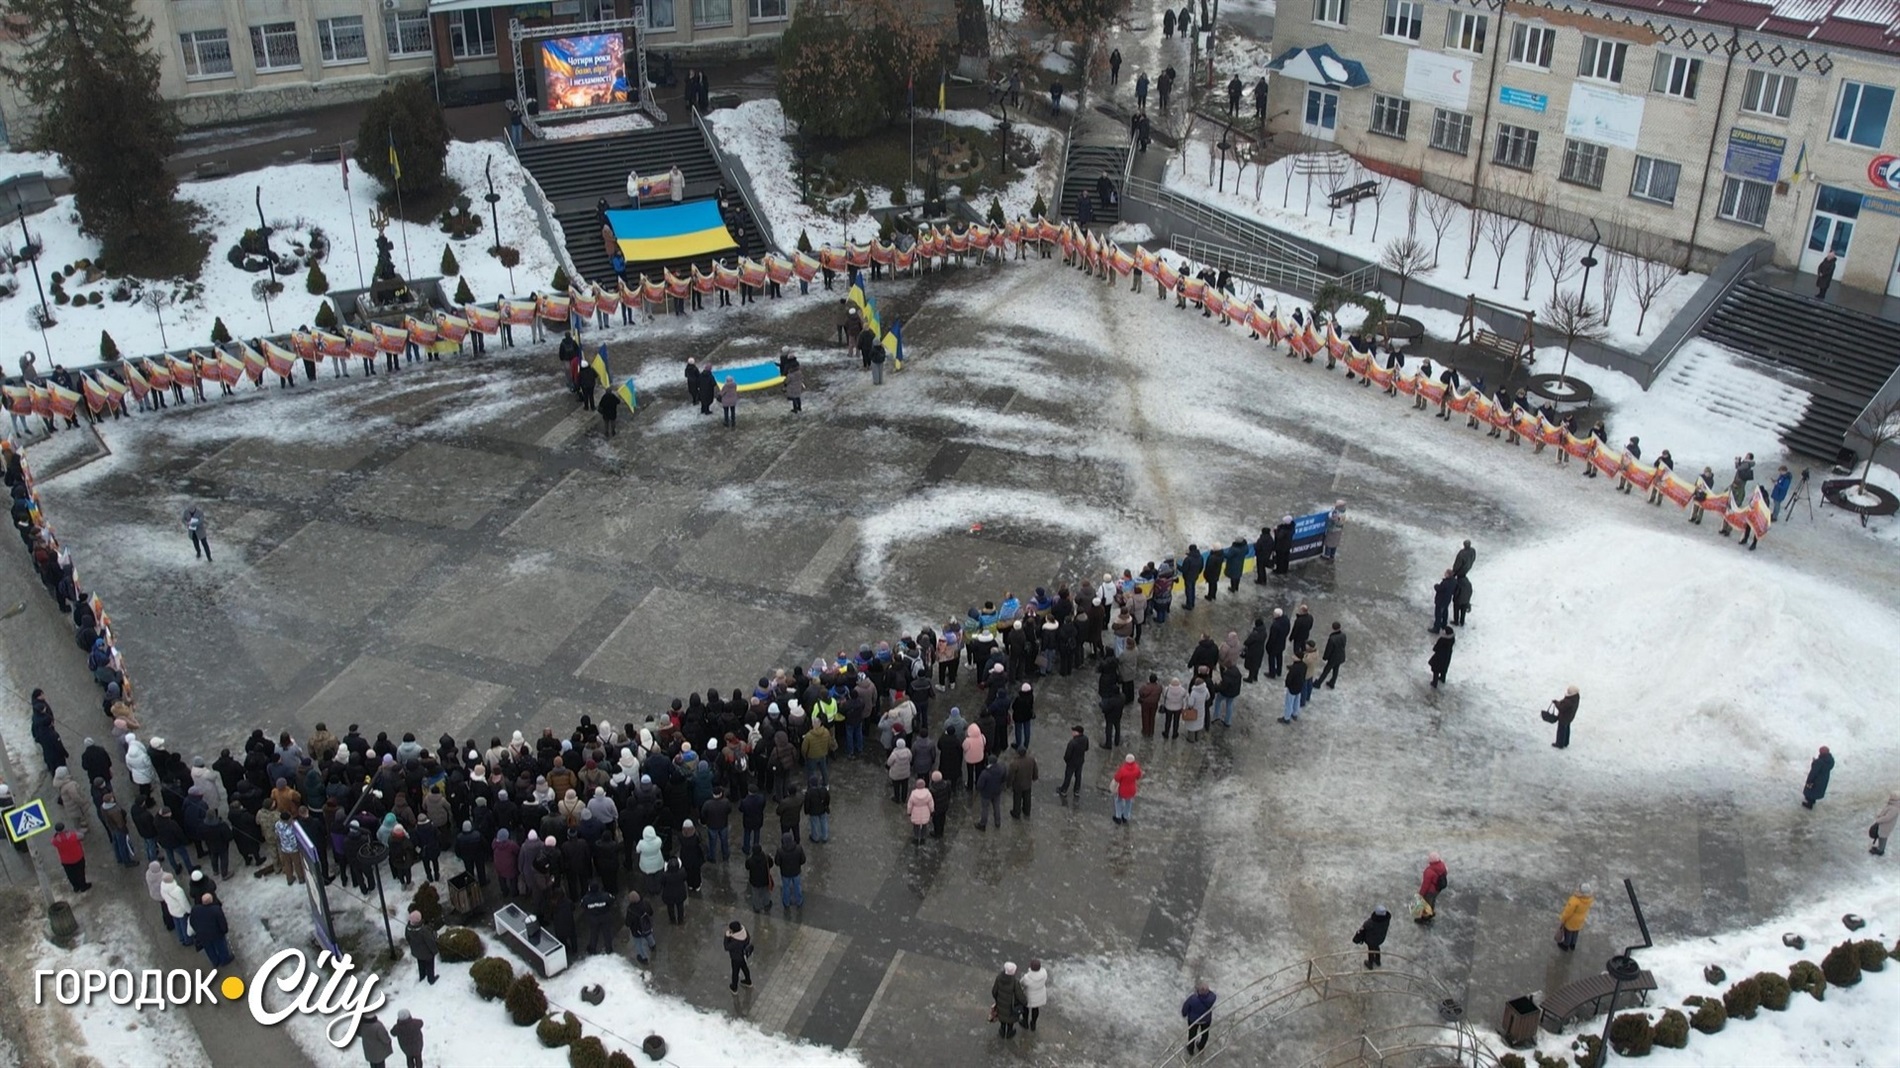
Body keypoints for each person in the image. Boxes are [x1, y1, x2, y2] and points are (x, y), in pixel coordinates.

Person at [192, 892, 233, 967]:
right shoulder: (216, 909)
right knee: (221, 947)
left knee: (209, 949)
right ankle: (225, 959)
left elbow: (192, 921)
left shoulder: (195, 909)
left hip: (202, 934)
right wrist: (224, 930)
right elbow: (222, 922)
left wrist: (197, 930)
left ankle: (215, 961)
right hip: (216, 934)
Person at [992, 962, 1027, 1038]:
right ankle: (1009, 1032)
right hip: (1011, 1006)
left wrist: (998, 1000)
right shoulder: (1015, 982)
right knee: (1010, 1020)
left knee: (1002, 1019)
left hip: (1001, 1005)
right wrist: (1024, 1002)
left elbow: (994, 991)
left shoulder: (998, 978)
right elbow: (1019, 995)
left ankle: (1002, 1031)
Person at [1181, 981, 1216, 1057]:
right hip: (1206, 1020)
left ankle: (1190, 1049)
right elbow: (1211, 993)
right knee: (1205, 1033)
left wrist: (1184, 1014)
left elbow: (1185, 1007)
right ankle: (1201, 1046)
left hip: (1194, 1020)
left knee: (1192, 1034)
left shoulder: (1193, 999)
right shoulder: (1212, 998)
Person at [52, 823, 90, 891]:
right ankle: (83, 886)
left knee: (71, 875)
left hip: (66, 861)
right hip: (77, 857)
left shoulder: (55, 840)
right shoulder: (73, 835)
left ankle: (76, 887)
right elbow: (82, 836)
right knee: (80, 873)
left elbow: (53, 842)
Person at [1557, 882, 1594, 950]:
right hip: (1580, 920)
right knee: (1575, 932)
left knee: (1568, 932)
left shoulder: (1575, 900)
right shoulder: (1589, 899)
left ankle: (1566, 945)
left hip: (1571, 920)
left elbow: (1568, 912)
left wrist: (1562, 918)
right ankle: (1573, 944)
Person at [405, 910, 438, 984]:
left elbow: (407, 938)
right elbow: (430, 941)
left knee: (421, 965)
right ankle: (431, 979)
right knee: (430, 967)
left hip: (417, 952)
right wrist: (435, 951)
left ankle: (422, 976)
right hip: (427, 954)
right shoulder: (424, 931)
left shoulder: (408, 928)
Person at [774, 832, 805, 909]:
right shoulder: (799, 848)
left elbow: (777, 862)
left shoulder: (780, 851)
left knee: (786, 888)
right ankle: (799, 901)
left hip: (785, 873)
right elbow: (803, 860)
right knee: (797, 886)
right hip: (796, 872)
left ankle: (786, 902)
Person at [1006, 745, 1038, 818]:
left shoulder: (1015, 763)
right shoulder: (1031, 760)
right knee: (1027, 798)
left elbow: (1011, 775)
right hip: (1028, 783)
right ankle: (1027, 811)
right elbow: (1035, 770)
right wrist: (1035, 777)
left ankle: (1016, 813)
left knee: (1017, 799)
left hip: (1018, 785)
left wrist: (1009, 784)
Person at [1058, 725, 1089, 798]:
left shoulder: (1072, 743)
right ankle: (1076, 790)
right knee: (1078, 776)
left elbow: (1067, 755)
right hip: (1080, 761)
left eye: (1074, 731)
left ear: (1077, 733)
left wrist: (1067, 760)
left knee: (1068, 776)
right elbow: (1086, 748)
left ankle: (1064, 790)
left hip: (1071, 763)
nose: (1072, 732)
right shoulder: (1085, 739)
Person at [725, 920, 755, 992]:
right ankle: (748, 981)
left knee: (735, 972)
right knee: (744, 967)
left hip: (736, 958)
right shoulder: (745, 933)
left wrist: (726, 937)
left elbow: (726, 947)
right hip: (743, 955)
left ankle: (734, 987)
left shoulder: (736, 941)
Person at [1417, 852, 1448, 923]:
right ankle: (1431, 912)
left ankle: (1425, 918)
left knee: (1426, 903)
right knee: (1432, 900)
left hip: (1431, 890)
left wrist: (1421, 894)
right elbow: (1446, 872)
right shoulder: (1442, 865)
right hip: (1438, 888)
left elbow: (1425, 884)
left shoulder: (1429, 871)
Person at [1112, 754, 1142, 824]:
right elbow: (1139, 776)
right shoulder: (1137, 768)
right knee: (1129, 802)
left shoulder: (1123, 770)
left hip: (1122, 789)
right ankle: (1125, 816)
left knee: (1118, 801)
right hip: (1132, 789)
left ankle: (1118, 816)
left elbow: (1117, 778)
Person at [1022, 959, 1049, 1031]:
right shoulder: (1044, 974)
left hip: (1029, 996)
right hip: (1040, 995)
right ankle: (1033, 1023)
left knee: (1025, 1008)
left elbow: (1022, 983)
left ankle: (1025, 1022)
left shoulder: (1027, 978)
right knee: (1035, 1009)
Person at [1317, 623, 1346, 689]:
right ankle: (1332, 683)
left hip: (1333, 658)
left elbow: (1328, 649)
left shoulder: (1332, 639)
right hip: (1341, 656)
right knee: (1336, 670)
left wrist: (1325, 657)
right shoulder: (1343, 635)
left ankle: (1318, 683)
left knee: (1326, 670)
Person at [906, 777, 933, 844]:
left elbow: (910, 804)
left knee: (916, 827)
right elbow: (931, 804)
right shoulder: (928, 793)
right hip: (925, 812)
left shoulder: (913, 794)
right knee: (924, 826)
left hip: (915, 812)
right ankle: (923, 838)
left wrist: (909, 812)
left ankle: (916, 837)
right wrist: (932, 810)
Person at [1282, 655, 1306, 722]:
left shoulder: (1294, 668)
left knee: (1289, 702)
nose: (1292, 657)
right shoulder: (1304, 665)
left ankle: (1286, 718)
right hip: (1299, 686)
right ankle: (1295, 713)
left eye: (1295, 656)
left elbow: (1289, 678)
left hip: (1292, 687)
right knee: (1297, 700)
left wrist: (1287, 684)